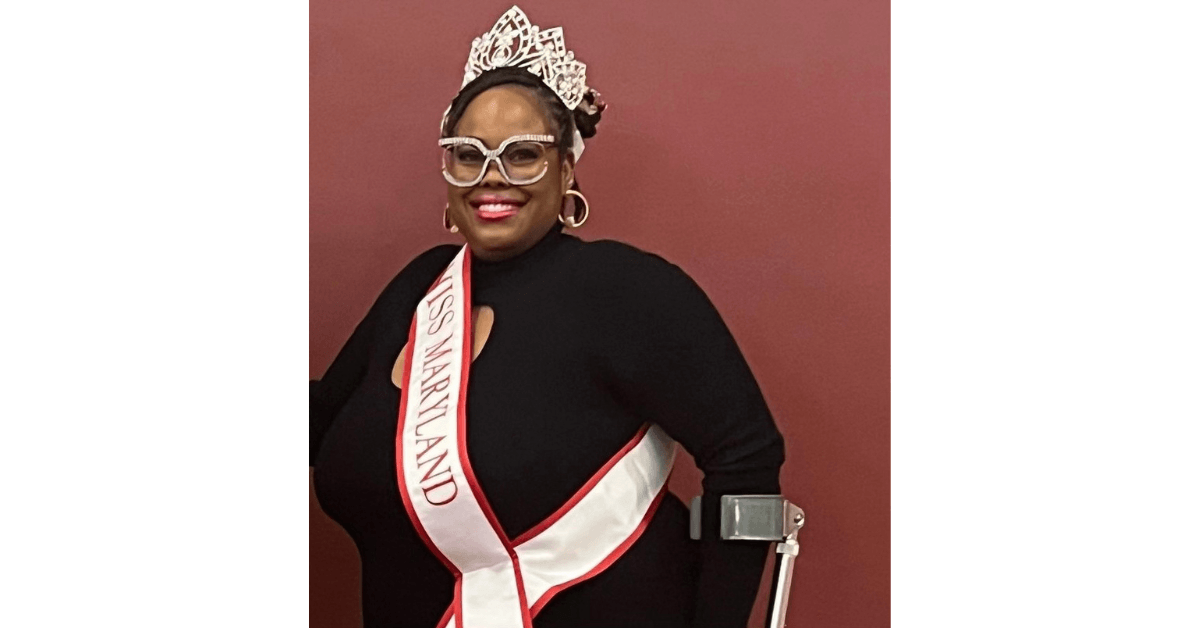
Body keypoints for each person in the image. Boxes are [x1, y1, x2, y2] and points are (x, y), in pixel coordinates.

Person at [310, 6, 785, 627]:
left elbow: (746, 462)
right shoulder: (419, 287)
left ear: (566, 169)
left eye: (523, 154)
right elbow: (322, 419)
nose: (492, 177)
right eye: (468, 154)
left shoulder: (625, 290)